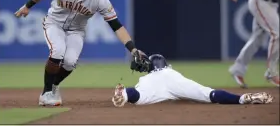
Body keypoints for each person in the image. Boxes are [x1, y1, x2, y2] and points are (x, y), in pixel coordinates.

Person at [14, 0, 147, 106]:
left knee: (70, 62)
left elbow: (116, 26)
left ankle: (53, 87)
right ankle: (46, 93)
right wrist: (27, 6)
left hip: (76, 31)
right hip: (54, 23)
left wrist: (132, 49)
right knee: (57, 51)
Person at [112, 54, 273, 107]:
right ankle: (242, 98)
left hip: (154, 85)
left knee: (138, 95)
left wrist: (127, 94)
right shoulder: (170, 72)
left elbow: (138, 95)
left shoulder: (146, 78)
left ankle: (124, 93)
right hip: (174, 80)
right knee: (209, 94)